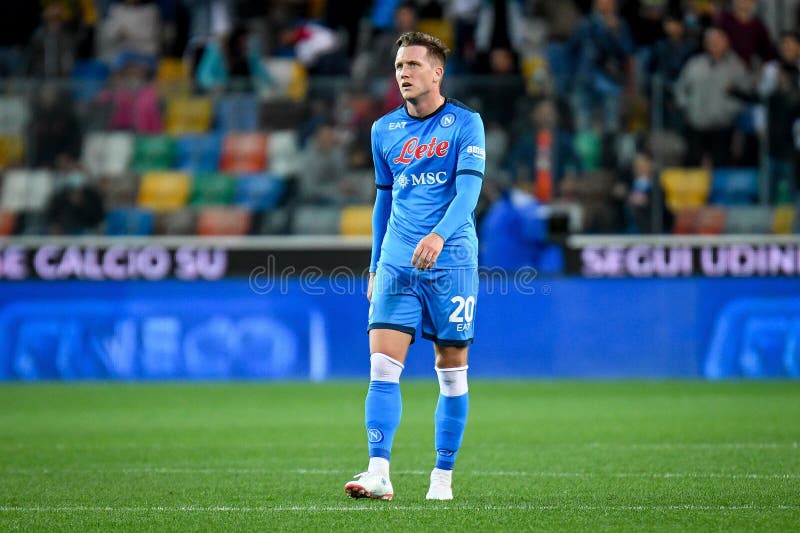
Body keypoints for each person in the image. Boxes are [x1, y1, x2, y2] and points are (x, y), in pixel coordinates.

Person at [343, 31, 485, 501]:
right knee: (382, 366)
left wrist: (439, 235)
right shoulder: (383, 130)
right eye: (399, 66)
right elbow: (382, 202)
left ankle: (441, 477)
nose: (403, 73)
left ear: (437, 72)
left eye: (413, 65)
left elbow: (468, 193)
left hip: (452, 260)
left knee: (451, 367)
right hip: (398, 261)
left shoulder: (466, 124)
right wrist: (374, 265)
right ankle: (378, 470)